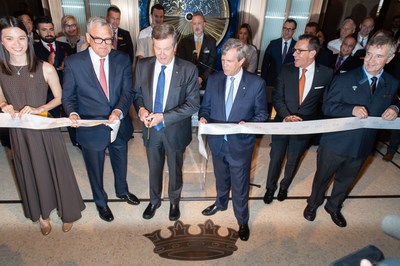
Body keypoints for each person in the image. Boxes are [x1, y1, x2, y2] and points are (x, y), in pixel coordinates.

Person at [0, 16, 85, 235]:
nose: (16, 44)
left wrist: (38, 108)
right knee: (31, 171)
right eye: (9, 39)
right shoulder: (1, 70)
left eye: (21, 38)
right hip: (19, 132)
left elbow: (59, 98)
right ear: (1, 41)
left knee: (57, 168)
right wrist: (4, 106)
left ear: (28, 38)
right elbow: (1, 97)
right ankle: (42, 215)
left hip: (46, 127)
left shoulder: (45, 67)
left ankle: (68, 212)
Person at [304, 35, 399, 227]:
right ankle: (313, 204)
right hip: (335, 143)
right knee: (322, 177)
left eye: (378, 56)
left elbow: (395, 101)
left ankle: (334, 206)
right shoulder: (344, 78)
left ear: (390, 58)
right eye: (369, 54)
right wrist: (351, 109)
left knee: (345, 180)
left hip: (363, 145)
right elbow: (328, 107)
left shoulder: (392, 82)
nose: (371, 61)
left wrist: (396, 109)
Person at [62, 16, 140, 222]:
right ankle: (101, 202)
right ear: (88, 37)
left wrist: (118, 111)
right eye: (99, 39)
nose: (106, 45)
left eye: (109, 39)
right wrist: (72, 112)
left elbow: (127, 92)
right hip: (91, 127)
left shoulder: (121, 59)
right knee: (95, 168)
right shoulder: (74, 63)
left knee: (120, 159)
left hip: (118, 122)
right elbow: (68, 97)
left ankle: (122, 191)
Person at [199, 38, 268, 241]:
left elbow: (262, 115)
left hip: (240, 144)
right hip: (217, 142)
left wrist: (247, 124)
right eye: (223, 59)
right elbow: (206, 107)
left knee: (240, 184)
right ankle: (220, 203)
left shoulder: (256, 84)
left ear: (241, 61)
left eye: (229, 61)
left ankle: (242, 219)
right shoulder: (214, 80)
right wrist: (204, 116)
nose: (224, 64)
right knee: (220, 177)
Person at [134, 23, 200, 221]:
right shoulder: (143, 66)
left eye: (167, 49)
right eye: (157, 48)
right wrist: (141, 109)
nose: (162, 54)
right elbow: (136, 94)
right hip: (150, 130)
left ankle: (174, 201)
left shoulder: (188, 69)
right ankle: (154, 200)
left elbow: (193, 104)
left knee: (174, 169)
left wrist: (164, 117)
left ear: (175, 47)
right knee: (154, 168)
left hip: (175, 131)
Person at [263, 34, 333, 204]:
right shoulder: (286, 70)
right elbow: (277, 97)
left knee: (293, 160)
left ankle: (284, 186)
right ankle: (270, 188)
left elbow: (327, 102)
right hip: (283, 122)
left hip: (304, 127)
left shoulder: (326, 74)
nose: (294, 54)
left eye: (299, 51)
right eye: (295, 50)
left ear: (312, 53)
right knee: (276, 158)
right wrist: (286, 116)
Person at [33, 16, 73, 118]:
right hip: (47, 95)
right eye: (44, 30)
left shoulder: (66, 46)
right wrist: (48, 65)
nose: (49, 33)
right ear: (37, 31)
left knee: (73, 124)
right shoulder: (33, 51)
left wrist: (67, 66)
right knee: (52, 127)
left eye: (51, 29)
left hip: (68, 92)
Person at [176, 11, 217, 91]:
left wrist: (201, 78)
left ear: (204, 24)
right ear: (191, 25)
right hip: (187, 83)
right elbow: (181, 63)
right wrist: (191, 79)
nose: (196, 26)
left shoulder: (211, 41)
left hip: (205, 84)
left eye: (199, 23)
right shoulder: (184, 42)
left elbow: (212, 64)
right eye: (194, 24)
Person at [261, 19, 297, 88]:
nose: (286, 31)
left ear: (294, 31)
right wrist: (263, 81)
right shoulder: (273, 44)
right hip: (271, 82)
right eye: (284, 28)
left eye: (289, 29)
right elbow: (265, 64)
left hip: (288, 83)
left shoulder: (297, 46)